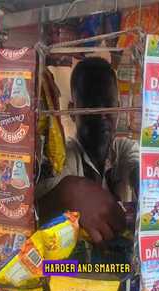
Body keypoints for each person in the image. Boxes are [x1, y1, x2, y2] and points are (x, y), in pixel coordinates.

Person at [36, 57, 139, 245]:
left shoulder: (123, 150)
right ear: (72, 111)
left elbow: (138, 166)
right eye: (91, 106)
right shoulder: (64, 160)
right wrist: (68, 193)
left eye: (108, 105)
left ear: (119, 108)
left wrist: (144, 181)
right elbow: (36, 209)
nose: (101, 115)